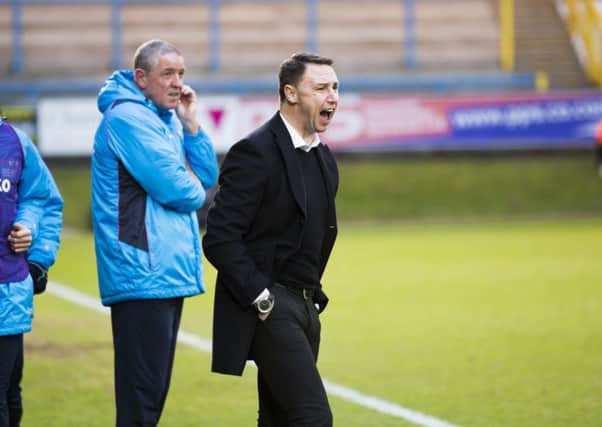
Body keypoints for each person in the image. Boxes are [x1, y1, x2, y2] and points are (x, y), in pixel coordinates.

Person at [203, 52, 340, 426]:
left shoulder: (324, 158)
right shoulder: (254, 152)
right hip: (269, 309)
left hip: (307, 307)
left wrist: (312, 296)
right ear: (291, 93)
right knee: (313, 418)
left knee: (279, 419)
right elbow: (219, 237)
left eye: (335, 87)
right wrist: (262, 298)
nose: (332, 96)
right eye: (321, 87)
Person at [91, 39, 218, 426]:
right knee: (141, 401)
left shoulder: (163, 120)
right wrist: (193, 186)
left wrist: (192, 125)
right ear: (141, 78)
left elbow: (208, 178)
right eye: (168, 74)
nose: (178, 82)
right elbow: (182, 190)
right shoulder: (128, 118)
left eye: (181, 73)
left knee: (151, 397)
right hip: (141, 270)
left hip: (163, 271)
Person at [0, 116, 63, 427]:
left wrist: (32, 239)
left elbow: (43, 199)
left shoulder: (15, 141)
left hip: (8, 293)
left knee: (10, 394)